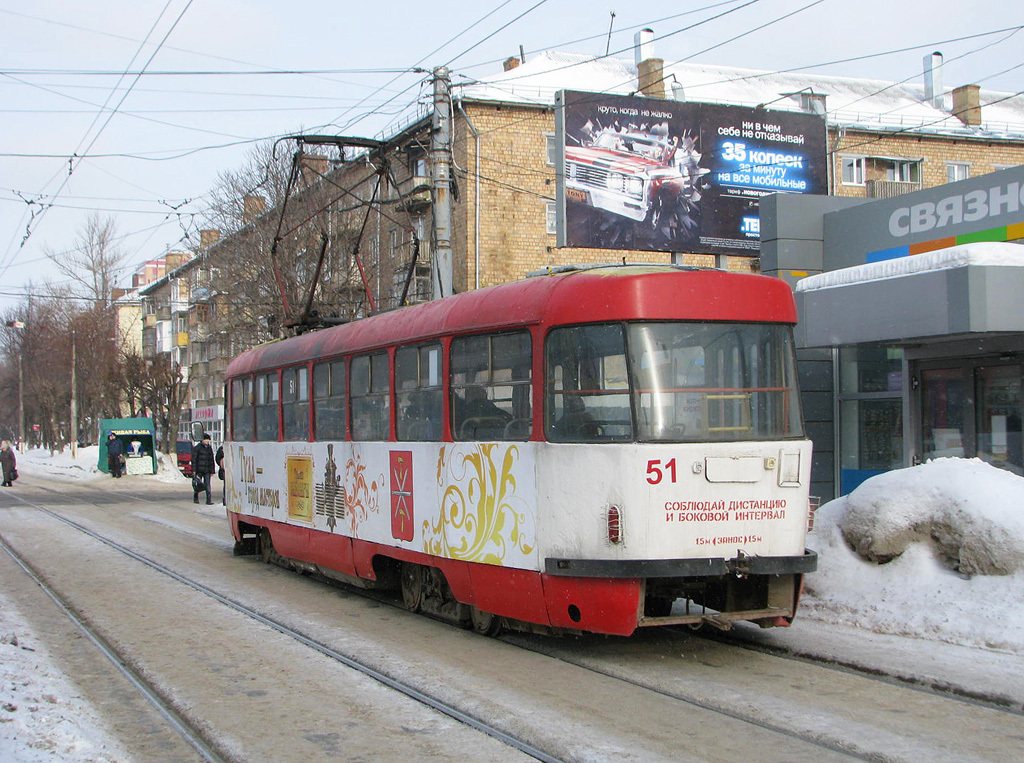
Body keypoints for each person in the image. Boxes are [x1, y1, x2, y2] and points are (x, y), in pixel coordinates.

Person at [191, 433, 216, 505]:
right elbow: (194, 460)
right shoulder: (197, 448)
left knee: (207, 484)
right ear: (202, 440)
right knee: (198, 484)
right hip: (199, 470)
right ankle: (196, 496)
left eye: (208, 440)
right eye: (206, 440)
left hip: (207, 470)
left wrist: (212, 471)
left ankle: (208, 499)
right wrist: (194, 470)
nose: (207, 441)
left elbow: (211, 460)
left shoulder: (209, 448)